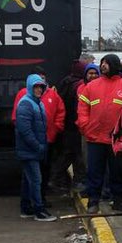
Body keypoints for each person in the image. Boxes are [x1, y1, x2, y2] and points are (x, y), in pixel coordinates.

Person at [77, 53, 122, 215]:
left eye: (107, 63)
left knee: (117, 172)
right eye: (102, 63)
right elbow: (82, 109)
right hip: (95, 138)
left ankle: (118, 200)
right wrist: (85, 126)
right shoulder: (91, 87)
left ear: (114, 65)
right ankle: (93, 201)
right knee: (94, 171)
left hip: (117, 140)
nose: (103, 66)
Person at [12, 72, 66, 202]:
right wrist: (34, 142)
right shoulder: (25, 99)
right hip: (33, 144)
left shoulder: (50, 96)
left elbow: (60, 112)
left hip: (47, 141)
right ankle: (35, 205)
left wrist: (55, 128)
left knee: (44, 172)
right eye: (36, 85)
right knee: (33, 176)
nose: (39, 88)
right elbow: (20, 122)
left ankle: (38, 201)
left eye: (41, 84)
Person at [15, 74, 57, 222]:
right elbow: (24, 130)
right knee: (35, 179)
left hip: (33, 149)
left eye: (41, 87)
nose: (39, 89)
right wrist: (38, 145)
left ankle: (26, 208)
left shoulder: (37, 103)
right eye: (36, 87)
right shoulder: (27, 104)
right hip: (30, 150)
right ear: (30, 87)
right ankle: (39, 210)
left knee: (28, 180)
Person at [52, 59, 88, 191]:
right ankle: (78, 180)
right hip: (75, 125)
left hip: (66, 123)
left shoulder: (66, 82)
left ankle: (57, 179)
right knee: (76, 154)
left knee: (69, 153)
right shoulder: (79, 85)